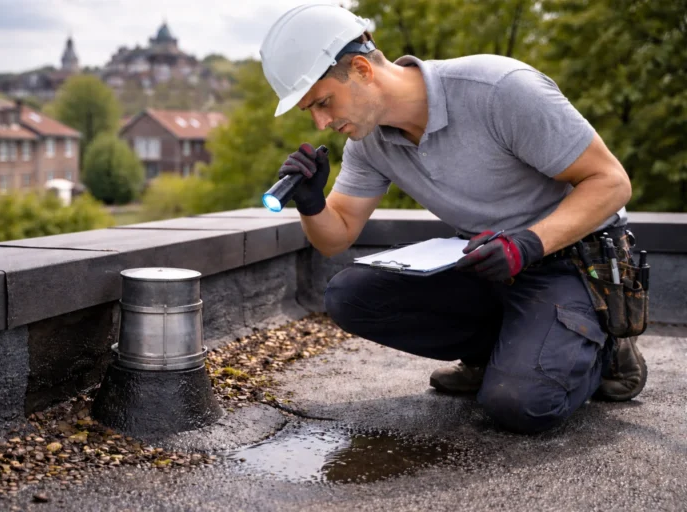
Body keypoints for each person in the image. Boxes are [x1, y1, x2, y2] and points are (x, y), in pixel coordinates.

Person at [259, 4, 647, 434]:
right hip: (488, 262)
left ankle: (607, 346)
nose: (321, 122)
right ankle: (500, 354)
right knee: (349, 296)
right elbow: (336, 237)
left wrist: (527, 244)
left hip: (572, 261)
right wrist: (312, 203)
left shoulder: (499, 89)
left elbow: (611, 183)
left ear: (362, 69)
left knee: (522, 406)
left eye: (323, 102)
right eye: (310, 111)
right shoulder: (369, 143)